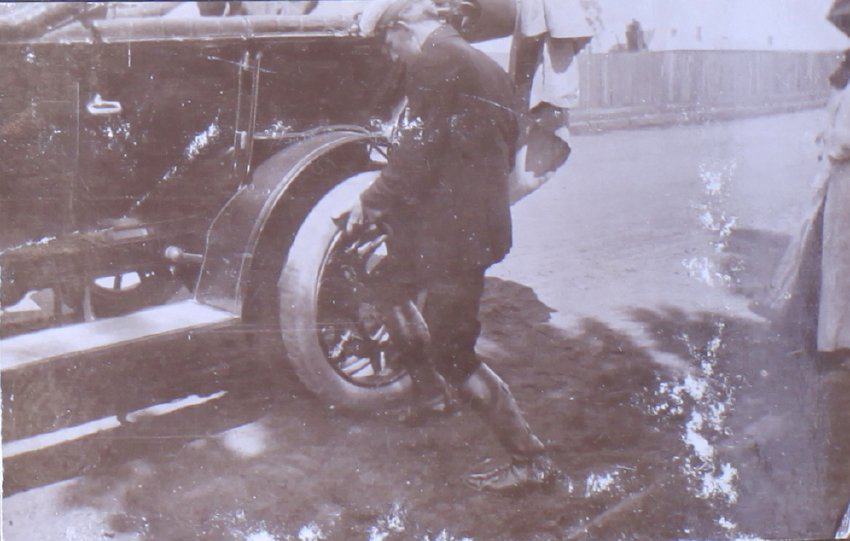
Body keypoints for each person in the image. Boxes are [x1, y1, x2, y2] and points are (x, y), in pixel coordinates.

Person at [347, 0, 559, 493]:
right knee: (386, 282)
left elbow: (415, 153)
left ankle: (530, 459)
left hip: (452, 237)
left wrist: (370, 203)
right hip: (468, 226)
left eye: (387, 42)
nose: (391, 54)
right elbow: (501, 146)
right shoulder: (483, 63)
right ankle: (430, 395)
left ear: (401, 27)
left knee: (453, 350)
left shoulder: (434, 62)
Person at [763, 49, 850, 362]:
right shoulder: (843, 91)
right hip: (838, 183)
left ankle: (837, 338)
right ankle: (832, 338)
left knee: (839, 259)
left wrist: (832, 138)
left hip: (844, 179)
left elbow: (845, 140)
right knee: (830, 256)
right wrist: (828, 137)